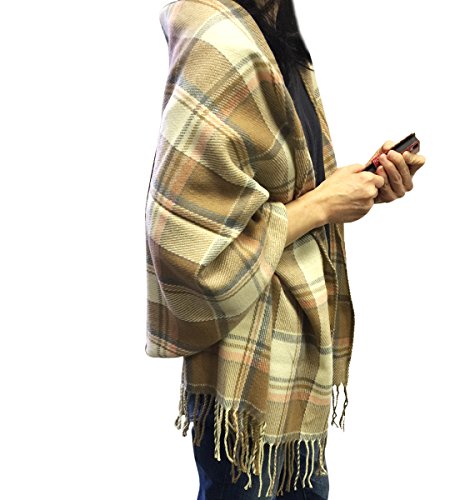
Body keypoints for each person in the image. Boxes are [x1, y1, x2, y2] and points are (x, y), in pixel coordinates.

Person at [144, 0, 426, 498]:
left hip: (296, 352)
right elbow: (184, 242)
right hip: (243, 363)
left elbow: (279, 188)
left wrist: (354, 188)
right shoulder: (219, 39)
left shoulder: (276, 35)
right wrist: (321, 205)